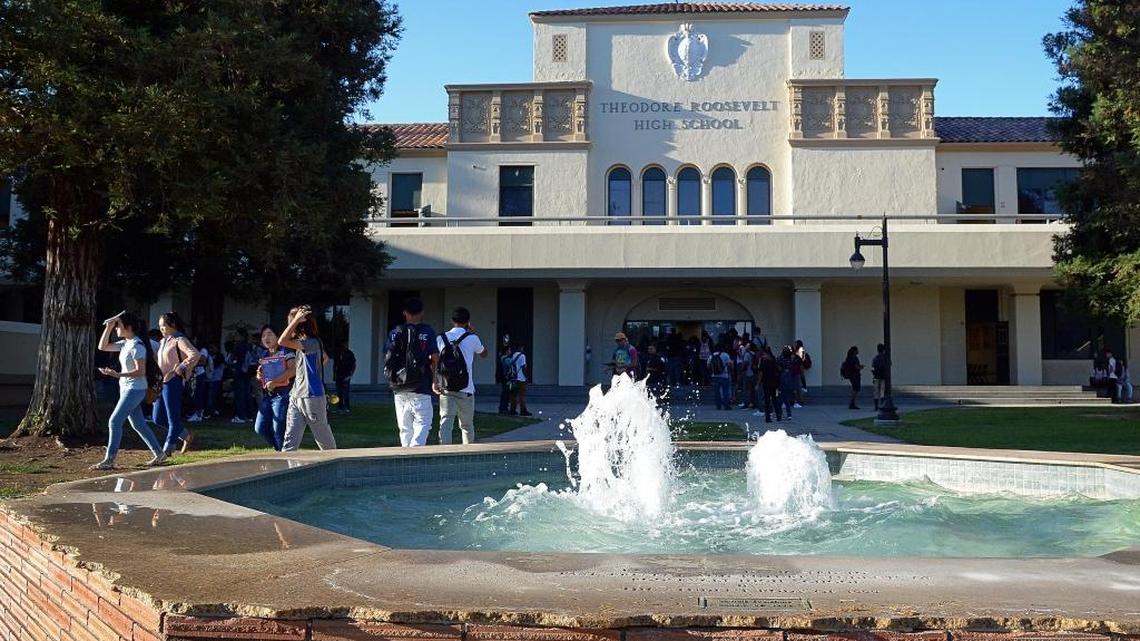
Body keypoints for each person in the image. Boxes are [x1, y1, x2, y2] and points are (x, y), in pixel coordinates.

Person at [93, 313, 167, 470]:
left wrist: (117, 374)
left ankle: (109, 460)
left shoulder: (137, 345)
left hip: (135, 389)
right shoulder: (126, 343)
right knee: (138, 424)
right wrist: (109, 327)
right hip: (129, 388)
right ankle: (159, 454)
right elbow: (103, 347)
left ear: (129, 327)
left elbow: (140, 371)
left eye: (118, 326)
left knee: (114, 421)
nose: (117, 329)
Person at [279, 305, 338, 451]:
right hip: (296, 395)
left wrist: (296, 319)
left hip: (312, 397)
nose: (289, 326)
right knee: (289, 441)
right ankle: (288, 471)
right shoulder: (306, 345)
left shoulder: (311, 343)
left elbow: (282, 340)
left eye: (291, 323)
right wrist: (305, 374)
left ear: (300, 325)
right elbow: (325, 358)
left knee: (324, 441)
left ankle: (336, 467)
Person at [383, 297, 439, 446]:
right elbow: (434, 358)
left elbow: (387, 356)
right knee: (423, 423)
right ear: (422, 313)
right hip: (420, 384)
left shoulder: (395, 332)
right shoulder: (427, 332)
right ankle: (416, 452)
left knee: (404, 427)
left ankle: (405, 455)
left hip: (398, 385)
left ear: (405, 313)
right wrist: (435, 380)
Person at [435, 307, 487, 444]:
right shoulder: (472, 338)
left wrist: (435, 381)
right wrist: (473, 333)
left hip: (446, 387)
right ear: (468, 322)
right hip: (466, 388)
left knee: (445, 423)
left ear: (452, 321)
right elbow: (483, 354)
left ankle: (444, 453)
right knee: (467, 425)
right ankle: (468, 453)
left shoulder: (441, 338)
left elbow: (434, 360)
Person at [153, 312, 199, 455]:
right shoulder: (163, 341)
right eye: (160, 326)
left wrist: (182, 367)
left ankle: (168, 449)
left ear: (172, 325)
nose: (161, 329)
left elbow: (194, 354)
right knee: (157, 418)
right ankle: (185, 435)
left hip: (174, 381)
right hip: (162, 381)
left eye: (163, 326)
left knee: (173, 417)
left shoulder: (180, 339)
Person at [254, 326, 296, 451]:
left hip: (283, 394)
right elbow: (263, 374)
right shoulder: (264, 354)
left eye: (270, 334)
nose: (266, 338)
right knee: (260, 428)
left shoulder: (286, 351)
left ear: (278, 336)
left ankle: (283, 456)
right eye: (263, 335)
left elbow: (294, 370)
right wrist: (259, 375)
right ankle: (279, 450)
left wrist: (275, 382)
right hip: (268, 395)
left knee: (279, 429)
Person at [229, 327, 254, 424]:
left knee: (240, 394)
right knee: (247, 394)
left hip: (240, 371)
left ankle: (241, 416)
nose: (235, 337)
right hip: (247, 372)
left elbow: (232, 357)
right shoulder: (249, 345)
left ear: (241, 336)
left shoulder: (239, 346)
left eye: (236, 335)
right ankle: (249, 415)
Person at [757, 345, 782, 423]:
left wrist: (758, 383)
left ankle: (768, 417)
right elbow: (779, 370)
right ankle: (778, 415)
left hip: (766, 383)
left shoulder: (764, 362)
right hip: (774, 383)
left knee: (767, 400)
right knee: (774, 399)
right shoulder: (774, 361)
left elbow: (761, 373)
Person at [506, 343, 532, 416]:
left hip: (514, 379)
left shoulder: (513, 355)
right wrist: (526, 377)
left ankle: (512, 410)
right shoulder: (522, 356)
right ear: (520, 348)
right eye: (522, 348)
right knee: (522, 396)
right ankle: (523, 410)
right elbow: (523, 367)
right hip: (521, 379)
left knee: (513, 395)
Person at [333, 340, 357, 414]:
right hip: (339, 375)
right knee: (339, 392)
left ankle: (346, 407)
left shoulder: (349, 354)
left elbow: (354, 364)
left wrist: (350, 375)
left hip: (346, 375)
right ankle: (340, 407)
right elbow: (335, 365)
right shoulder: (338, 353)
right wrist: (334, 375)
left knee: (345, 393)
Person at [708, 341, 732, 410]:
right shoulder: (725, 355)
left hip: (714, 376)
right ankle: (726, 405)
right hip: (724, 375)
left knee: (717, 392)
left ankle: (718, 406)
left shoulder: (712, 355)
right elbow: (729, 364)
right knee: (725, 391)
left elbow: (708, 365)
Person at [776, 346, 797, 420]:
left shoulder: (781, 360)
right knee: (786, 399)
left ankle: (780, 414)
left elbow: (777, 361)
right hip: (789, 380)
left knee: (780, 399)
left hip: (782, 381)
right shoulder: (791, 360)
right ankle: (789, 414)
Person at [842, 345, 864, 410]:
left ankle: (852, 403)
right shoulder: (854, 358)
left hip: (851, 375)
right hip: (855, 375)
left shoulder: (849, 358)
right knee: (856, 389)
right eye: (857, 350)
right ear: (854, 351)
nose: (858, 351)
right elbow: (856, 367)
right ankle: (852, 403)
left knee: (855, 389)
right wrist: (861, 367)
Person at [870, 343, 888, 411]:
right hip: (883, 376)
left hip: (876, 376)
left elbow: (873, 367)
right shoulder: (885, 358)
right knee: (882, 391)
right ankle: (882, 404)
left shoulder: (875, 358)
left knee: (876, 391)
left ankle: (876, 406)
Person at [496, 343, 513, 415]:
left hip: (503, 378)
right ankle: (504, 408)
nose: (510, 351)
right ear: (506, 351)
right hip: (507, 378)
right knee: (506, 393)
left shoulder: (501, 358)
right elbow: (512, 366)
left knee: (504, 393)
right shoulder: (507, 360)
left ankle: (502, 408)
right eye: (509, 350)